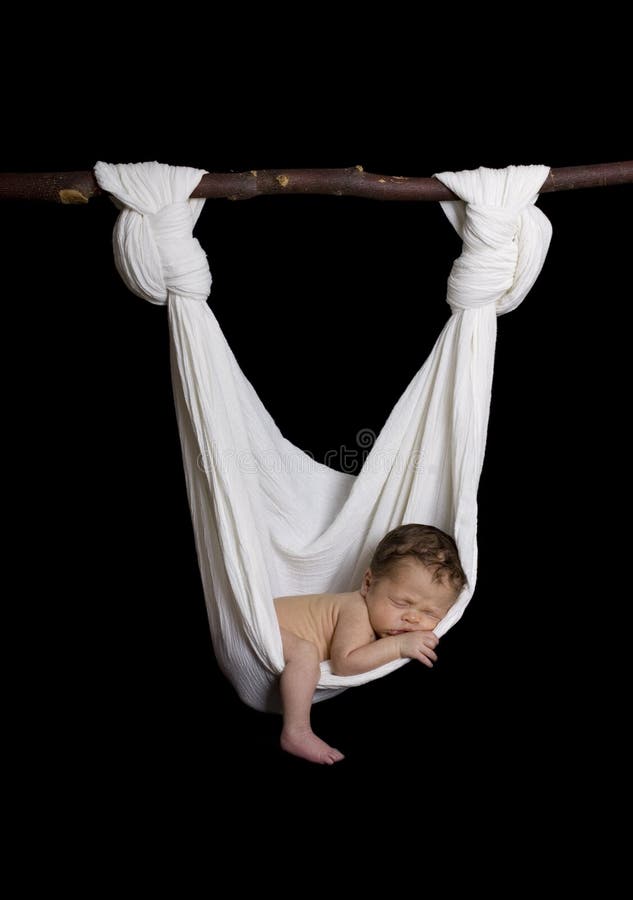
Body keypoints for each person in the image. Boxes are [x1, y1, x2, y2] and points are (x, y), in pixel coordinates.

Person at [273, 523, 468, 765]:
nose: (413, 618)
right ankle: (296, 731)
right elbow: (344, 664)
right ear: (367, 584)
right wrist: (399, 646)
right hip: (269, 629)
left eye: (430, 613)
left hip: (278, 633)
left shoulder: (378, 618)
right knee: (305, 653)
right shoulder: (357, 610)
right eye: (400, 603)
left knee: (306, 653)